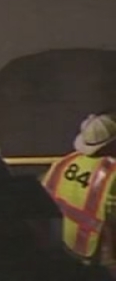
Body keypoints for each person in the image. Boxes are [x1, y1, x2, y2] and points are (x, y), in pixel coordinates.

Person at [43, 113, 116, 270]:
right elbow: (112, 220)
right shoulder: (112, 173)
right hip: (96, 251)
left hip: (63, 243)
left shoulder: (64, 162)